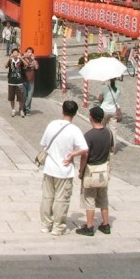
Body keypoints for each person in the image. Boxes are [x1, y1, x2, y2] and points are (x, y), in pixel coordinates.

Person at [39, 100, 88, 236]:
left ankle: (46, 224)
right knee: (61, 199)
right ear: (75, 113)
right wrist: (72, 154)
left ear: (63, 110)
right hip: (64, 169)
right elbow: (84, 149)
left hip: (49, 167)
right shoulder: (74, 130)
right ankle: (58, 227)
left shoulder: (52, 124)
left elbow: (44, 143)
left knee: (47, 197)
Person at [76, 106, 114, 236]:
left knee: (89, 199)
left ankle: (90, 226)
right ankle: (106, 224)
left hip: (91, 169)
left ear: (91, 118)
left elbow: (85, 155)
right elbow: (112, 149)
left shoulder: (89, 135)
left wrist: (81, 171)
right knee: (103, 197)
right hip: (103, 169)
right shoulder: (109, 133)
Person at [97, 78, 122, 145]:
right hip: (114, 110)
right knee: (113, 130)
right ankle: (113, 146)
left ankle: (101, 144)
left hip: (104, 110)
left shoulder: (104, 88)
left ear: (109, 79)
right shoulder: (119, 88)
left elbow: (100, 99)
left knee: (101, 127)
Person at [5, 47, 26, 117]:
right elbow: (5, 66)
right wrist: (9, 58)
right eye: (14, 53)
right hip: (11, 81)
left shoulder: (20, 61)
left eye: (16, 53)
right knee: (11, 97)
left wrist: (21, 58)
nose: (15, 54)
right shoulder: (11, 60)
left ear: (18, 54)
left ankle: (21, 110)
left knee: (21, 97)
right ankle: (13, 110)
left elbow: (26, 65)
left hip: (20, 82)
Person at [23, 47, 38, 115]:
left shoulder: (34, 61)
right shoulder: (23, 59)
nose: (29, 53)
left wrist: (33, 59)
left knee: (30, 95)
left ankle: (27, 109)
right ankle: (23, 108)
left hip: (31, 80)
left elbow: (36, 67)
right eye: (28, 52)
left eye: (30, 52)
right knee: (24, 95)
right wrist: (23, 57)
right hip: (24, 79)